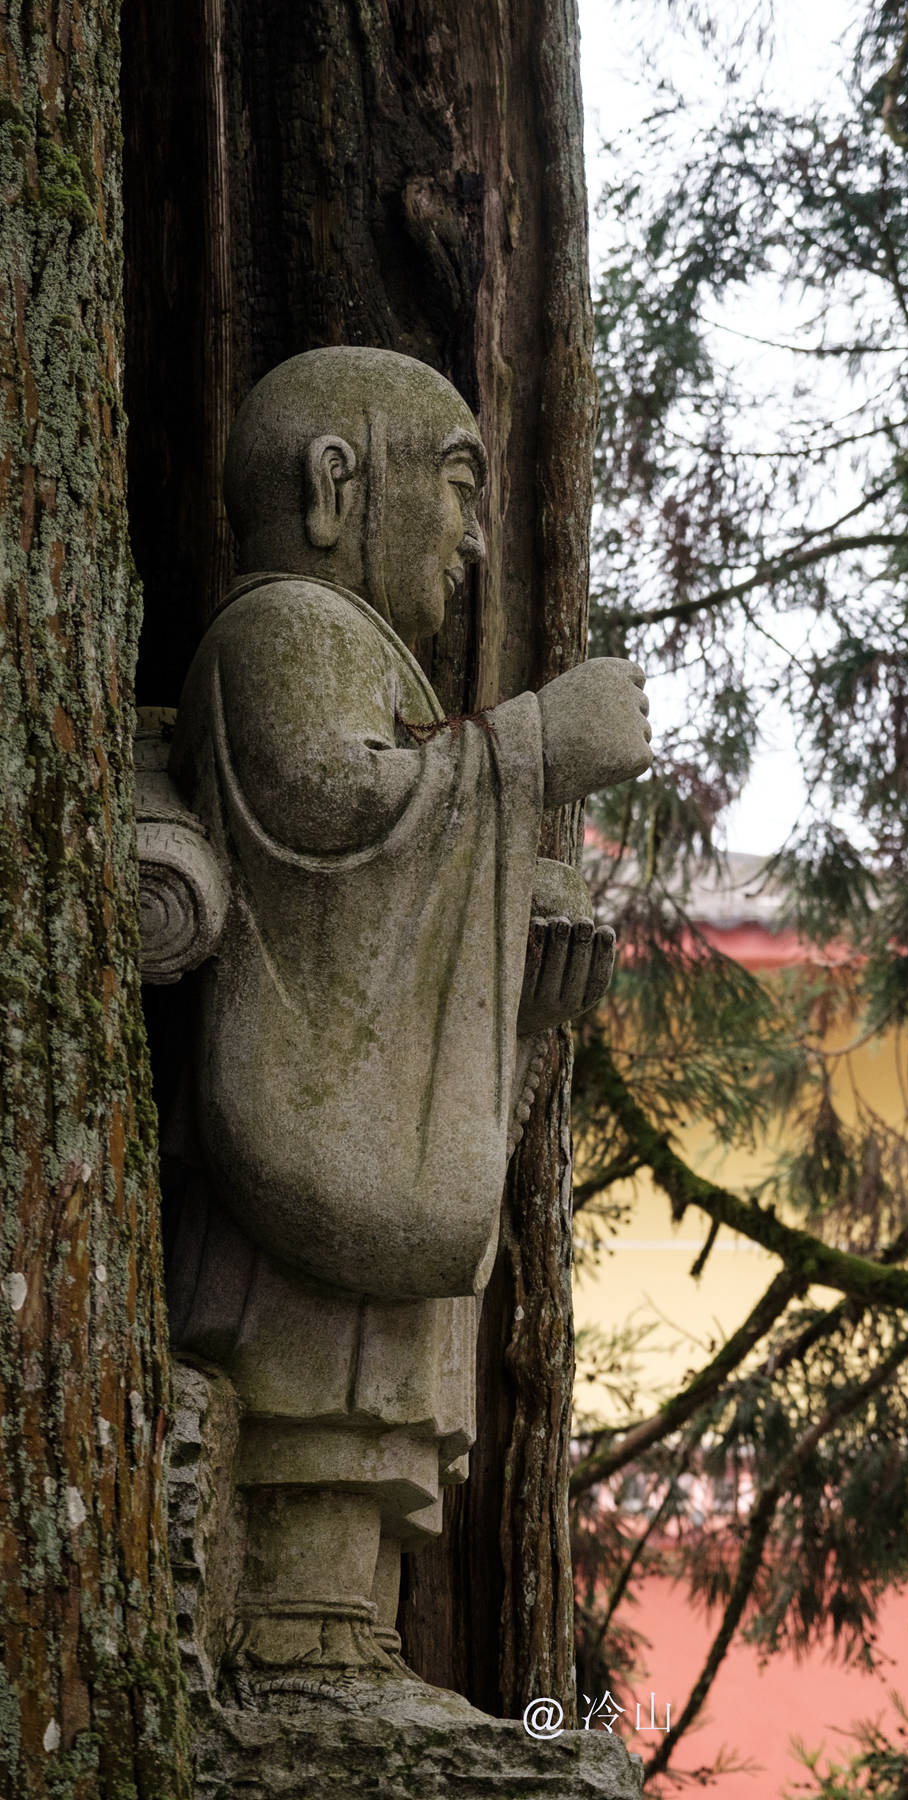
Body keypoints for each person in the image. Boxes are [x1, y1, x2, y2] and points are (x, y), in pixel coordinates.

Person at [163, 346, 652, 1677]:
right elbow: (327, 812)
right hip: (297, 1134)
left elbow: (406, 836)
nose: (478, 537)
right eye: (453, 486)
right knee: (309, 1412)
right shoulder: (284, 631)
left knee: (364, 1425)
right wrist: (539, 745)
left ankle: (344, 1631)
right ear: (335, 485)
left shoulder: (354, 647)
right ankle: (298, 1637)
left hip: (355, 1119)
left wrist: (512, 951)